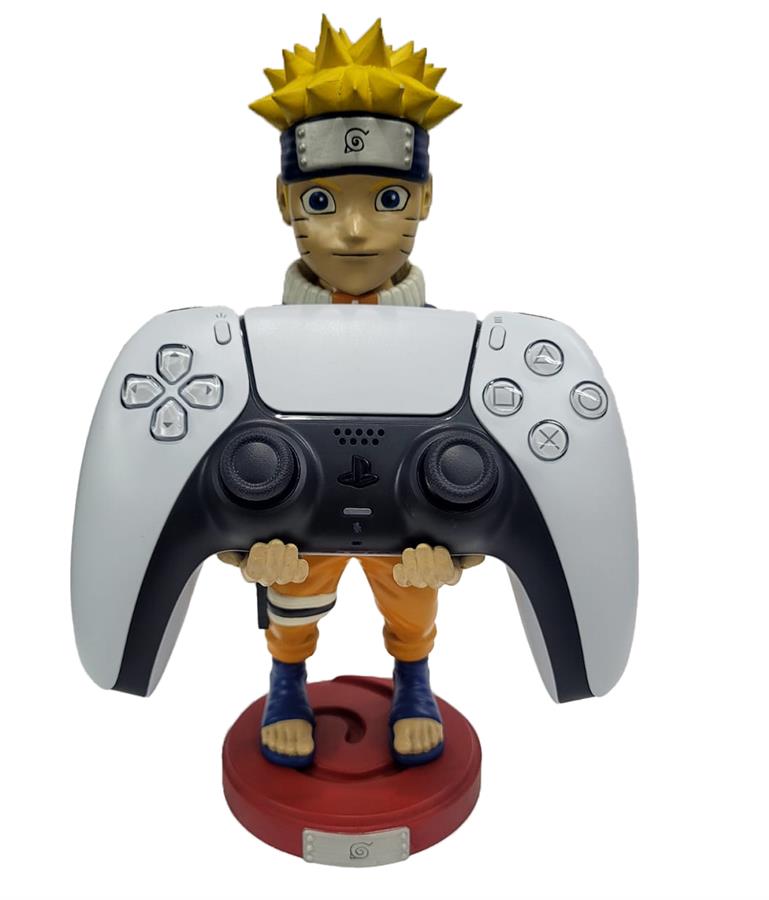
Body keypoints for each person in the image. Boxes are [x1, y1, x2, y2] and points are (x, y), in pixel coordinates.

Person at [218, 15, 483, 769]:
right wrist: (240, 545)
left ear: (425, 198)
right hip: (300, 516)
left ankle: (414, 677)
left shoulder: (451, 344)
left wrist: (461, 550)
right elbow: (224, 455)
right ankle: (286, 678)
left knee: (414, 593)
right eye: (323, 203)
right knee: (291, 592)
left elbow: (476, 458)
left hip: (405, 518)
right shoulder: (253, 347)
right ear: (285, 202)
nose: (357, 231)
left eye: (388, 199)